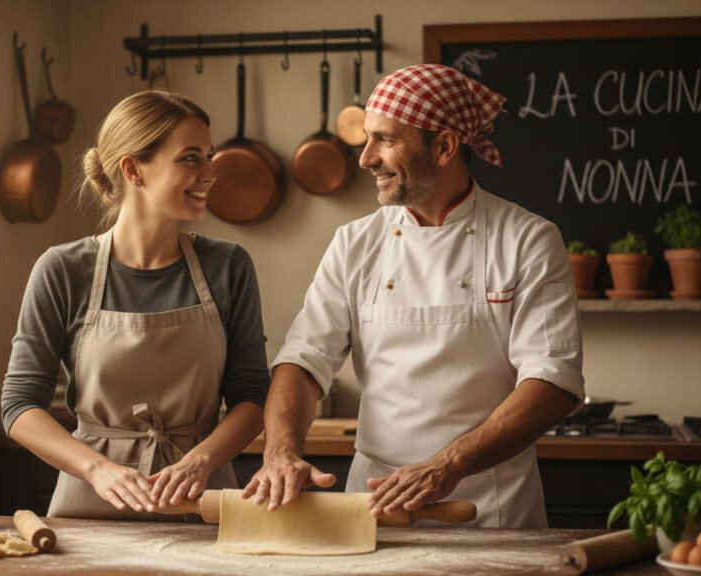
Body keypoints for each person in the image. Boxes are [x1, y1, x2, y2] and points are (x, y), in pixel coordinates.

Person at [243, 64, 585, 528]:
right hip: (375, 503)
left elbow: (552, 381)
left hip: (490, 506)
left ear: (444, 146)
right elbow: (303, 360)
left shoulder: (527, 239)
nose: (365, 159)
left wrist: (448, 465)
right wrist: (280, 452)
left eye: (384, 139)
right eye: (367, 138)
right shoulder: (354, 242)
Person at [2, 91, 269, 519]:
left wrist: (200, 460)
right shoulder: (63, 269)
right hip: (90, 502)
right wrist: (99, 470)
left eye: (209, 156)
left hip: (200, 497)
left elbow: (253, 397)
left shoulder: (228, 266)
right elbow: (19, 406)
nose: (210, 173)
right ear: (133, 169)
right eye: (191, 158)